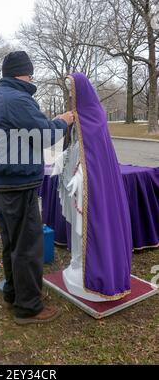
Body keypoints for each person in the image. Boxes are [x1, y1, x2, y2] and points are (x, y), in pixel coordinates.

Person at [0, 51, 74, 324]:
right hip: (19, 184)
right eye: (30, 73)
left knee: (13, 244)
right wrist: (64, 121)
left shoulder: (1, 97)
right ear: (21, 73)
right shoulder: (18, 99)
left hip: (5, 184)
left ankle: (13, 292)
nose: (31, 77)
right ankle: (29, 307)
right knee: (27, 248)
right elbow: (44, 135)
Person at [53, 73, 132, 301]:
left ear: (81, 91)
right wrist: (64, 158)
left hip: (89, 184)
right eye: (68, 92)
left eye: (72, 91)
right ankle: (78, 262)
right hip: (75, 180)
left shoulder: (94, 116)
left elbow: (95, 154)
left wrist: (80, 175)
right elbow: (77, 145)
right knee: (78, 229)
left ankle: (92, 270)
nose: (70, 96)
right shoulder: (75, 116)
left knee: (87, 226)